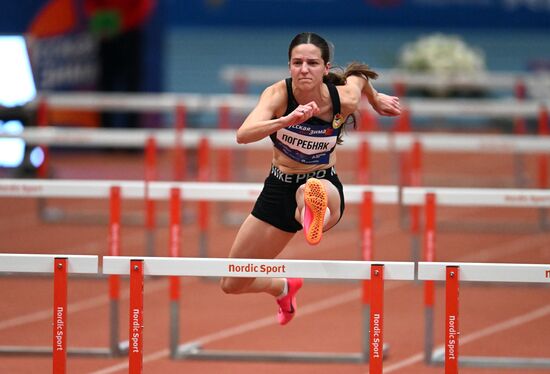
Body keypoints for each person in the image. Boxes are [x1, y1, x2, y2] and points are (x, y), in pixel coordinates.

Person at [220, 32, 401, 325]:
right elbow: (243, 134)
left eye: (313, 63)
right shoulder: (278, 94)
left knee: (309, 191)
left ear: (326, 69)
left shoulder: (343, 98)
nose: (304, 69)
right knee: (233, 282)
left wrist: (377, 98)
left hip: (324, 182)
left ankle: (312, 211)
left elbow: (359, 78)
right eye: (297, 62)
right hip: (278, 188)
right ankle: (283, 286)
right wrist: (287, 120)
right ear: (289, 66)